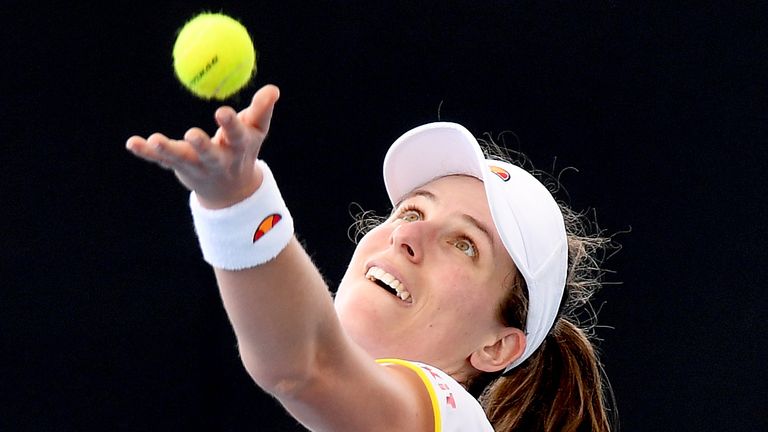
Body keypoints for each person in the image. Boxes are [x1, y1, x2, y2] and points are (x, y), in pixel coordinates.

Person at [126, 84, 617, 431]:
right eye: (411, 211)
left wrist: (238, 203)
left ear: (496, 348)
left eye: (464, 244)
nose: (412, 234)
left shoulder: (455, 422)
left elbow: (305, 366)